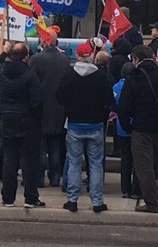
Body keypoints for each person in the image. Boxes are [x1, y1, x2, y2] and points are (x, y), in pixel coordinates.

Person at [57, 40, 114, 213]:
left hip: (75, 123)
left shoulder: (69, 75)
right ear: (91, 57)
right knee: (96, 164)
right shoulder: (100, 76)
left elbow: (59, 97)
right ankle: (97, 201)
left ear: (77, 57)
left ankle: (72, 200)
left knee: (74, 162)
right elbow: (109, 100)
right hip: (95, 124)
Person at [118, 44, 158, 213]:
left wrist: (128, 126)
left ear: (136, 59)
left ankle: (151, 202)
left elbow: (124, 107)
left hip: (141, 127)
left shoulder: (133, 77)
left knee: (145, 166)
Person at [0, 42, 45, 208]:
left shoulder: (1, 72)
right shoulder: (30, 76)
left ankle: (8, 197)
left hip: (7, 120)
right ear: (26, 57)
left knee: (10, 159)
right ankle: (30, 197)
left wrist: (3, 54)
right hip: (27, 121)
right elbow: (37, 102)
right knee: (29, 161)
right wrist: (37, 120)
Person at [29, 36, 71, 189]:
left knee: (41, 147)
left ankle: (39, 179)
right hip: (59, 108)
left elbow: (31, 82)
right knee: (55, 146)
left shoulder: (36, 59)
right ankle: (55, 178)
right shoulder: (64, 59)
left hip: (41, 108)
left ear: (45, 42)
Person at [112, 62, 140, 199]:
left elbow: (113, 105)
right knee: (137, 160)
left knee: (125, 159)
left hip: (121, 127)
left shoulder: (116, 87)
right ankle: (136, 188)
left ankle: (125, 188)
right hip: (136, 125)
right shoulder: (137, 85)